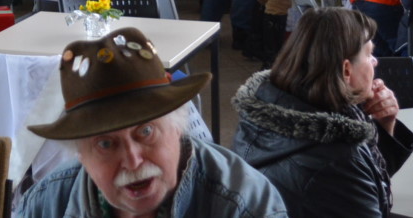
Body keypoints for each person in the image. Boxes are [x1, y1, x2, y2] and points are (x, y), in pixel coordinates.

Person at [17, 27, 287, 218]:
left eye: (145, 132)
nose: (133, 161)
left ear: (178, 128)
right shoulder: (47, 204)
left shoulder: (244, 204)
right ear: (81, 155)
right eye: (105, 143)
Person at [233, 8, 413, 218]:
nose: (375, 61)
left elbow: (365, 183)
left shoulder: (267, 108)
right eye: (369, 54)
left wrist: (383, 126)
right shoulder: (339, 156)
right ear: (346, 70)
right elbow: (353, 179)